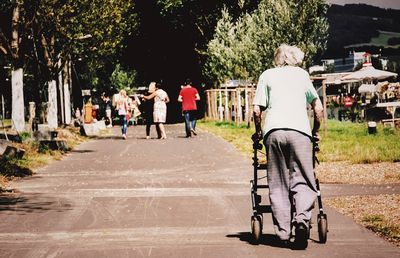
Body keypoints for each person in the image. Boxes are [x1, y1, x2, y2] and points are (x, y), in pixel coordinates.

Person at [252, 44, 323, 249]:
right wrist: (315, 131)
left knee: (278, 182)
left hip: (273, 132)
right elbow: (317, 108)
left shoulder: (267, 75)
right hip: (300, 131)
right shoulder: (302, 75)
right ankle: (301, 220)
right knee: (303, 178)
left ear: (277, 58)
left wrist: (258, 132)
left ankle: (283, 232)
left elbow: (257, 110)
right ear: (295, 59)